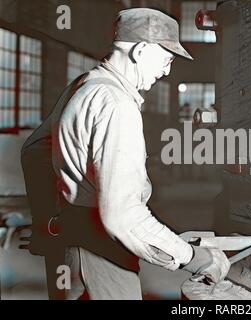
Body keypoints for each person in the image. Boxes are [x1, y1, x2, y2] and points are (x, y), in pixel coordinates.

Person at [21, 8, 230, 300]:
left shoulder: (84, 85)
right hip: (101, 253)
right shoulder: (116, 104)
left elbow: (34, 152)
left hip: (68, 246)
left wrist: (48, 222)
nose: (167, 71)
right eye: (167, 59)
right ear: (142, 50)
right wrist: (195, 258)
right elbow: (123, 215)